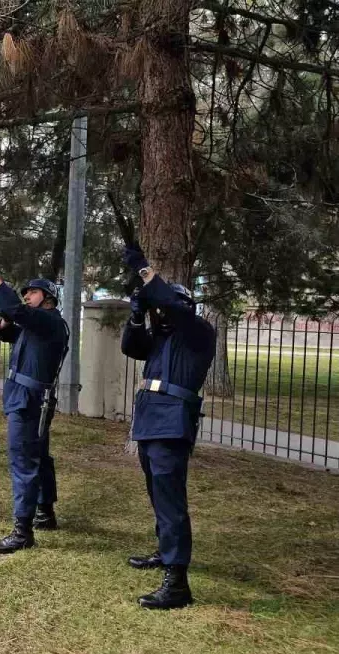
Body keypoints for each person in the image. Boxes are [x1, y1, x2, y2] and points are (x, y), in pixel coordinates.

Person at [120, 243, 216, 610]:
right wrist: (135, 314)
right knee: (158, 494)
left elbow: (172, 304)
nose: (160, 313)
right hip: (149, 419)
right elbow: (132, 347)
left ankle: (177, 582)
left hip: (172, 421)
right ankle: (165, 551)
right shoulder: (161, 340)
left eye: (164, 307)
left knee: (172, 501)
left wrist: (146, 271)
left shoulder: (198, 333)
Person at [0, 264, 70, 554]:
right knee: (38, 456)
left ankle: (22, 530)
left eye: (33, 292)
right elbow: (9, 333)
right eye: (25, 292)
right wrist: (3, 319)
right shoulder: (38, 324)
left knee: (23, 461)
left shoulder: (50, 321)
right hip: (25, 397)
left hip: (30, 400)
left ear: (49, 298)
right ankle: (44, 511)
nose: (27, 295)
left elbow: (19, 313)